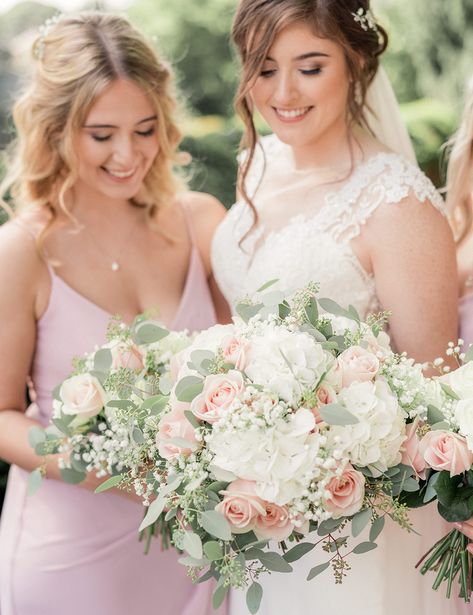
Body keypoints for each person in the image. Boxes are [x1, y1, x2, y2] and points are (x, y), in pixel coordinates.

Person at [211, 1, 464, 613]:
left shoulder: (397, 204)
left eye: (310, 66)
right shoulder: (257, 164)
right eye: (264, 68)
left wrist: (316, 456)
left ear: (355, 63)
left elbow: (433, 403)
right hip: (260, 518)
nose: (284, 92)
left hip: (357, 534)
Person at [0, 11, 229, 615]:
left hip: (200, 550)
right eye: (101, 135)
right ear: (55, 130)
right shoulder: (24, 251)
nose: (127, 155)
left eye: (145, 128)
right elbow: (1, 417)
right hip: (70, 557)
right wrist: (115, 472)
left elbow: (251, 373)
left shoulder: (202, 224)